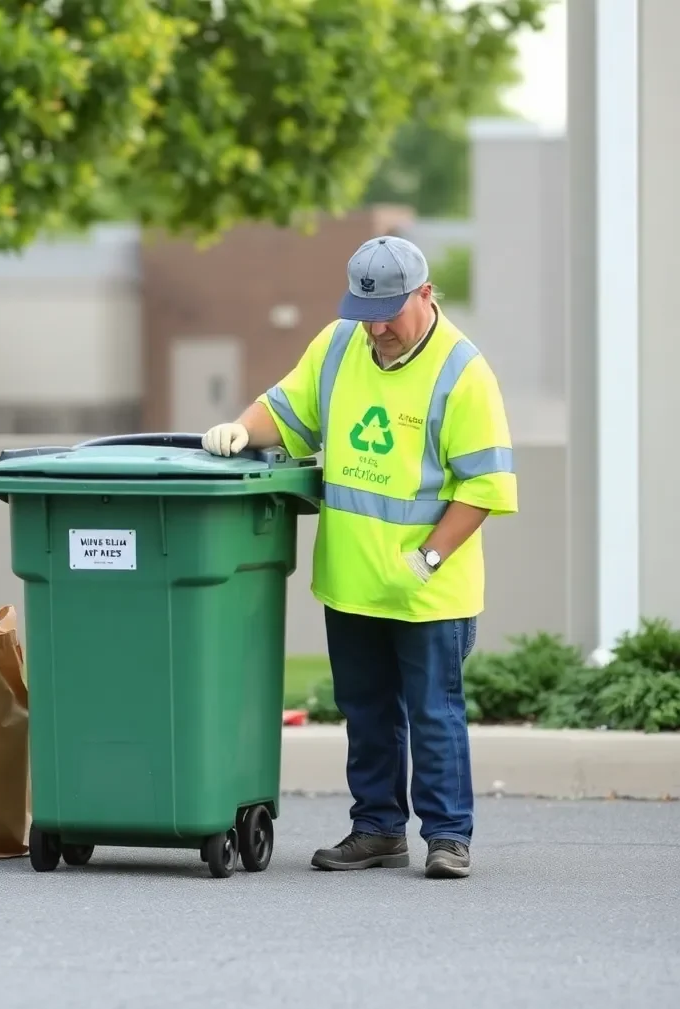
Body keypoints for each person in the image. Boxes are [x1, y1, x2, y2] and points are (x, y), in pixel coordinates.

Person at [201, 235, 517, 879]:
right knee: (367, 713)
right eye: (366, 312)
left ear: (426, 295)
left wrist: (426, 560)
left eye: (390, 313)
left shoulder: (463, 373)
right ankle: (376, 828)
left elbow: (485, 487)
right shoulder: (340, 344)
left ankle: (449, 837)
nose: (377, 328)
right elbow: (286, 410)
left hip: (428, 589)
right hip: (351, 583)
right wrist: (242, 426)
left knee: (434, 715)